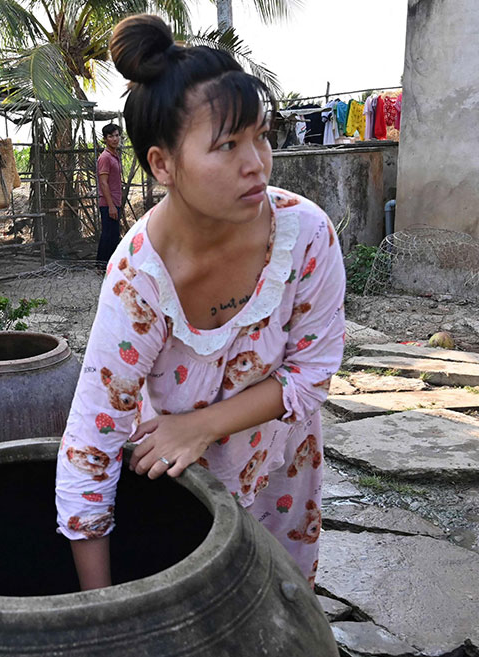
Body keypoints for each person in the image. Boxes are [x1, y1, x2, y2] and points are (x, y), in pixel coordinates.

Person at [55, 14, 345, 591]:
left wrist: (201, 425)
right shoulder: (138, 280)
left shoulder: (306, 236)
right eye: (228, 144)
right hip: (182, 485)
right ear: (162, 164)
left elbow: (311, 376)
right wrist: (99, 611)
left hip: (282, 468)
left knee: (280, 610)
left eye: (261, 135)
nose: (256, 163)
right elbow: (92, 441)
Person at [96, 124, 125, 263]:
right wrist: (111, 206)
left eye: (117, 135)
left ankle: (109, 265)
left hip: (115, 201)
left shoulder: (114, 156)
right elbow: (103, 183)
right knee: (108, 235)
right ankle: (101, 265)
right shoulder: (105, 157)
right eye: (111, 136)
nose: (114, 139)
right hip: (108, 203)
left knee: (113, 236)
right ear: (105, 139)